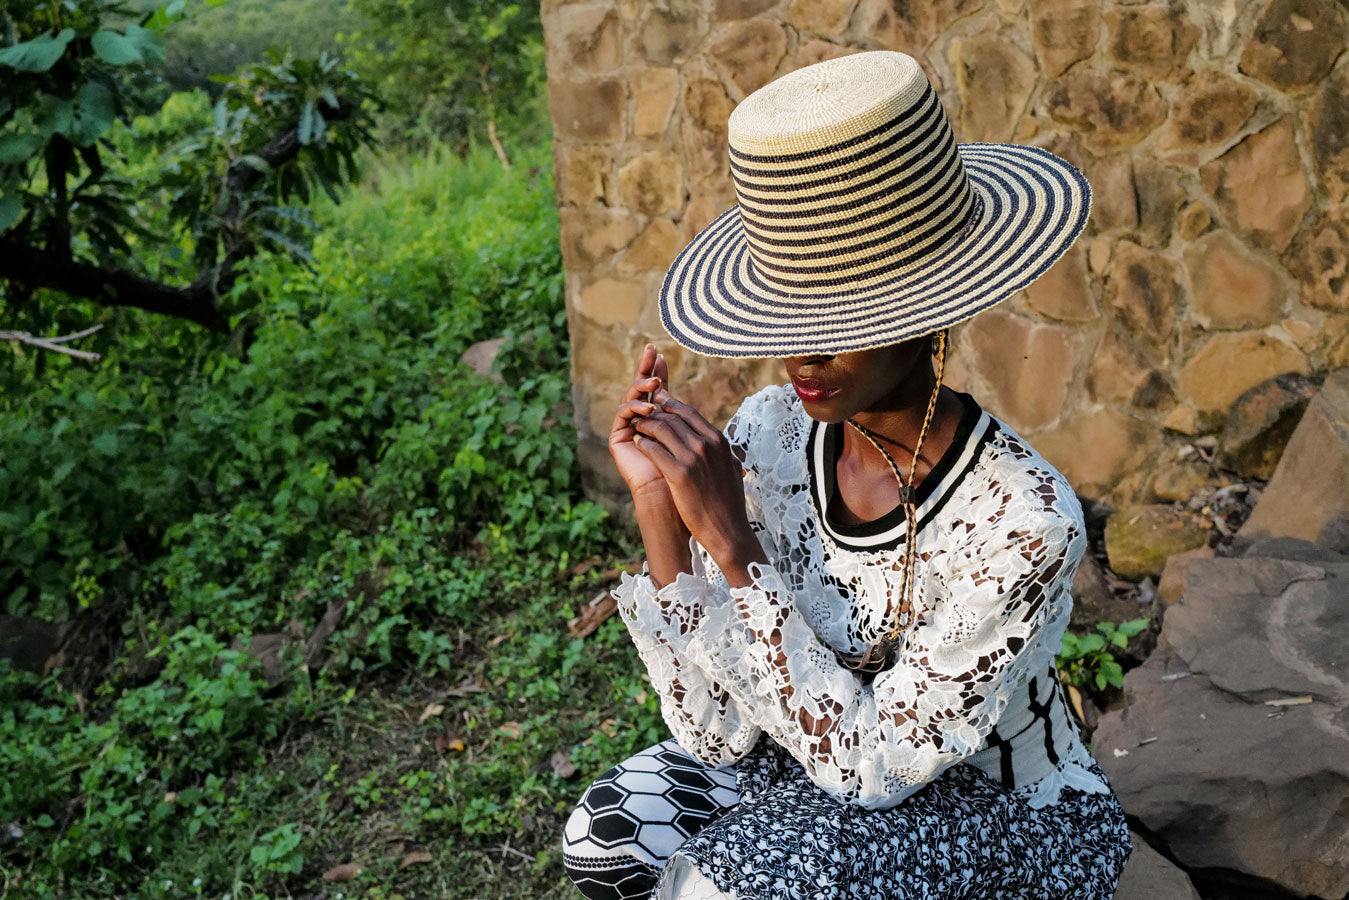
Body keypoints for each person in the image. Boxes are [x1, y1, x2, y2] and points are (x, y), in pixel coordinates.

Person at [561, 50, 1131, 900]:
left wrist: (733, 544)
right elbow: (713, 736)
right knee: (604, 837)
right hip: (804, 760)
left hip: (996, 811)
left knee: (727, 889)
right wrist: (659, 510)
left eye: (844, 317)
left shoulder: (1024, 517)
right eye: (788, 313)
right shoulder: (772, 428)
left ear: (931, 305)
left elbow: (873, 766)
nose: (803, 352)